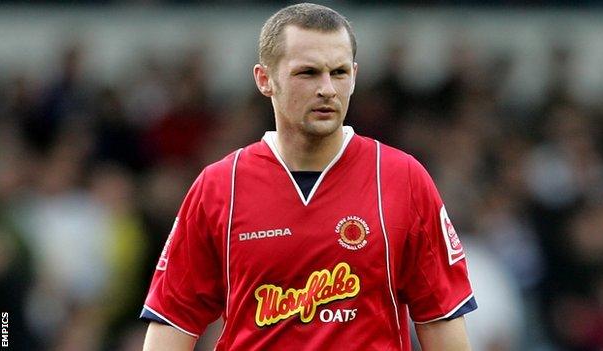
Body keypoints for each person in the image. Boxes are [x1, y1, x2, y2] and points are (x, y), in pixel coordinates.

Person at [140, 3, 477, 350]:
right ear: (265, 79)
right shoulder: (219, 186)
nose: (328, 88)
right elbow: (172, 324)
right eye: (308, 73)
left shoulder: (402, 179)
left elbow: (441, 319)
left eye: (340, 72)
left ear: (355, 76)